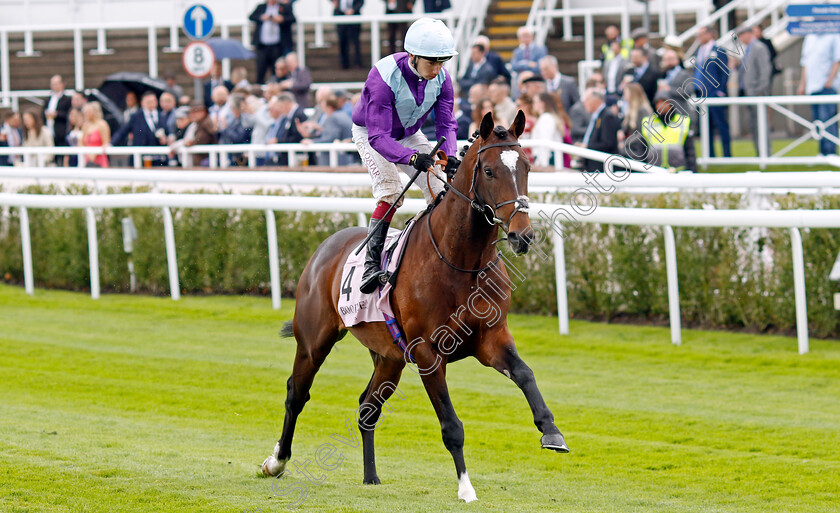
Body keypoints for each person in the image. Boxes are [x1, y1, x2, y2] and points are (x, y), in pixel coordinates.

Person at [351, 17, 459, 293]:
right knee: (391, 190)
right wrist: (411, 159)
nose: (437, 69)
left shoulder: (443, 79)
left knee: (441, 188)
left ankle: (442, 257)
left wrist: (449, 156)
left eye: (442, 62)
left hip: (409, 133)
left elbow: (446, 124)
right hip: (371, 134)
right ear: (412, 56)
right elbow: (378, 136)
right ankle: (371, 266)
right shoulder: (384, 77)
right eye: (432, 62)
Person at [798, 33, 840, 156]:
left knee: (827, 119)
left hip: (827, 87)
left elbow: (837, 60)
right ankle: (822, 152)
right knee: (817, 121)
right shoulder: (809, 37)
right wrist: (802, 84)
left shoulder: (834, 35)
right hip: (812, 87)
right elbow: (805, 62)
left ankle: (830, 151)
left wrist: (829, 82)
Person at [733, 26, 772, 156]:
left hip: (757, 94)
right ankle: (760, 152)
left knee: (761, 124)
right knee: (754, 125)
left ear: (748, 34)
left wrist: (760, 90)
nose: (740, 39)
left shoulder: (759, 47)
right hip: (749, 93)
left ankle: (765, 152)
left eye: (741, 35)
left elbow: (765, 71)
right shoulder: (749, 49)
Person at [693, 25, 731, 157]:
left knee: (721, 125)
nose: (699, 38)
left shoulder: (718, 50)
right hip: (701, 94)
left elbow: (724, 71)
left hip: (714, 94)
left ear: (709, 34)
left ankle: (727, 154)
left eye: (701, 34)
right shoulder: (699, 51)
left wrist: (720, 91)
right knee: (705, 127)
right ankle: (710, 155)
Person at [639, 90, 696, 172]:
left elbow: (690, 150)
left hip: (678, 170)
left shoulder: (683, 121)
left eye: (664, 102)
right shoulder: (647, 123)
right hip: (654, 171)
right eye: (658, 102)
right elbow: (642, 149)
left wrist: (693, 170)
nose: (661, 106)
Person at [112, 91, 167, 166]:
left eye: (153, 101)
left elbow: (168, 133)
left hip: (158, 159)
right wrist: (111, 143)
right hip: (140, 158)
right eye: (148, 102)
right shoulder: (136, 117)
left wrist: (166, 139)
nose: (151, 104)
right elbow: (122, 132)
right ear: (142, 103)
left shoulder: (162, 116)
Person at [300, 91, 353, 165]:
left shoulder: (333, 118)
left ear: (329, 107)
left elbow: (330, 138)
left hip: (338, 160)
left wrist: (312, 142)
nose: (323, 110)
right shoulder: (342, 115)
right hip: (347, 158)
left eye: (323, 107)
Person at [250, 0, 296, 84]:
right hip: (263, 46)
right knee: (260, 69)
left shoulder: (284, 7)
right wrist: (262, 17)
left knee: (277, 70)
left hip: (277, 45)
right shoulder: (261, 7)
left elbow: (292, 19)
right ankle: (258, 88)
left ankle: (277, 87)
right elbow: (251, 16)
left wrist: (282, 19)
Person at [579, 88, 620, 173]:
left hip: (602, 167)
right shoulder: (597, 116)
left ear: (596, 101)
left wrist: (587, 147)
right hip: (593, 165)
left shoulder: (607, 116)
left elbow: (608, 143)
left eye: (587, 100)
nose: (584, 103)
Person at [531, 92, 571, 168]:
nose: (533, 104)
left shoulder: (546, 118)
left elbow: (545, 141)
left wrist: (543, 164)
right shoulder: (546, 117)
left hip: (548, 160)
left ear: (542, 103)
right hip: (548, 159)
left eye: (535, 102)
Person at [42, 75, 71, 161]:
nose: (54, 86)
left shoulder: (67, 99)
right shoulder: (48, 99)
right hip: (49, 130)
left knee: (61, 155)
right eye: (52, 84)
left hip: (61, 132)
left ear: (62, 84)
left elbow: (68, 114)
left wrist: (57, 114)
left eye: (56, 83)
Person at [619, 83, 653, 158]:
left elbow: (642, 134)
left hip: (638, 151)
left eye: (626, 94)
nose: (624, 97)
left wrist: (625, 143)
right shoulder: (630, 111)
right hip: (630, 149)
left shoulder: (643, 111)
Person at [334, 0, 364, 70]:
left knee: (355, 41)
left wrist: (353, 10)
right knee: (342, 40)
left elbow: (361, 2)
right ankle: (344, 63)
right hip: (340, 16)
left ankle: (357, 62)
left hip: (354, 16)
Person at [81, 102, 111, 168]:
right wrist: (87, 152)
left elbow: (106, 142)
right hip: (88, 158)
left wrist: (95, 152)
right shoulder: (85, 125)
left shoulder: (102, 124)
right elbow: (81, 142)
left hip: (99, 158)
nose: (86, 113)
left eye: (88, 111)